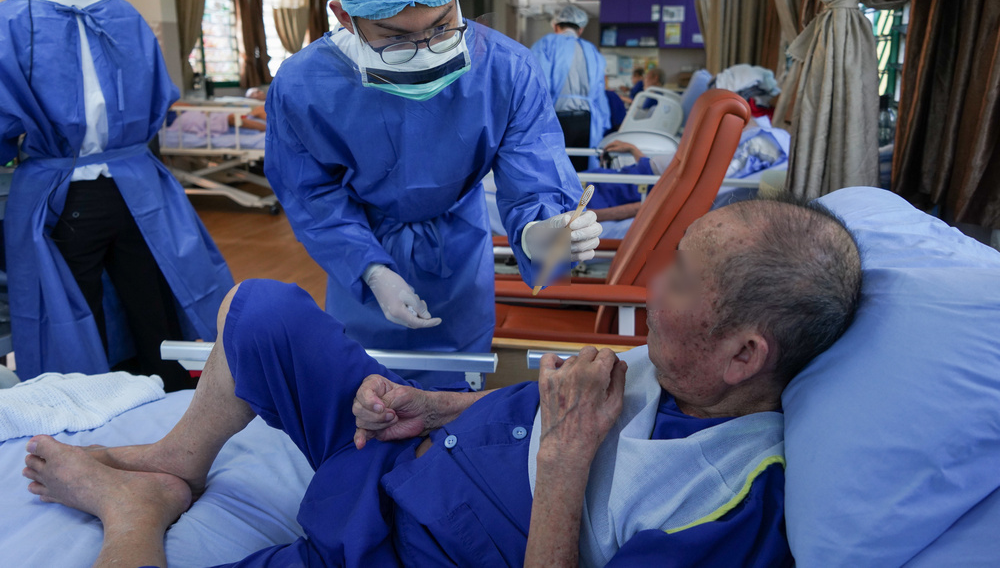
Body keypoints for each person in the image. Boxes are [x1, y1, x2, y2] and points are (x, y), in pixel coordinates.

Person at [20, 195, 863, 568]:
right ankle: (180, 459)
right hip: (405, 450)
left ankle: (132, 509)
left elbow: (561, 441)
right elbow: (542, 406)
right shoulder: (679, 360)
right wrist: (435, 404)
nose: (650, 289)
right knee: (262, 306)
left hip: (417, 545)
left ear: (746, 356)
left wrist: (564, 465)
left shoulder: (729, 504)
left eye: (680, 280)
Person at [264, 0, 599, 385]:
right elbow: (311, 194)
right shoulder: (302, 85)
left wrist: (539, 232)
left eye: (441, 28)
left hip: (460, 254)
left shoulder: (506, 69)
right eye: (395, 40)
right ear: (344, 16)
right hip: (359, 248)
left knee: (457, 403)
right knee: (366, 396)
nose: (424, 52)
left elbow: (534, 176)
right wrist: (373, 271)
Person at [0, 0, 233, 390]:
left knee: (70, 322)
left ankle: (93, 424)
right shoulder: (123, 13)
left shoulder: (10, 25)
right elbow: (160, 102)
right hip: (139, 188)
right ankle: (173, 415)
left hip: (60, 197)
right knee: (155, 309)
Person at [531, 4, 612, 171]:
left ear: (555, 25)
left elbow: (537, 85)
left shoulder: (546, 44)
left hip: (556, 120)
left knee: (554, 172)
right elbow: (599, 94)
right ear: (580, 29)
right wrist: (603, 123)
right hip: (587, 122)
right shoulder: (592, 51)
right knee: (580, 174)